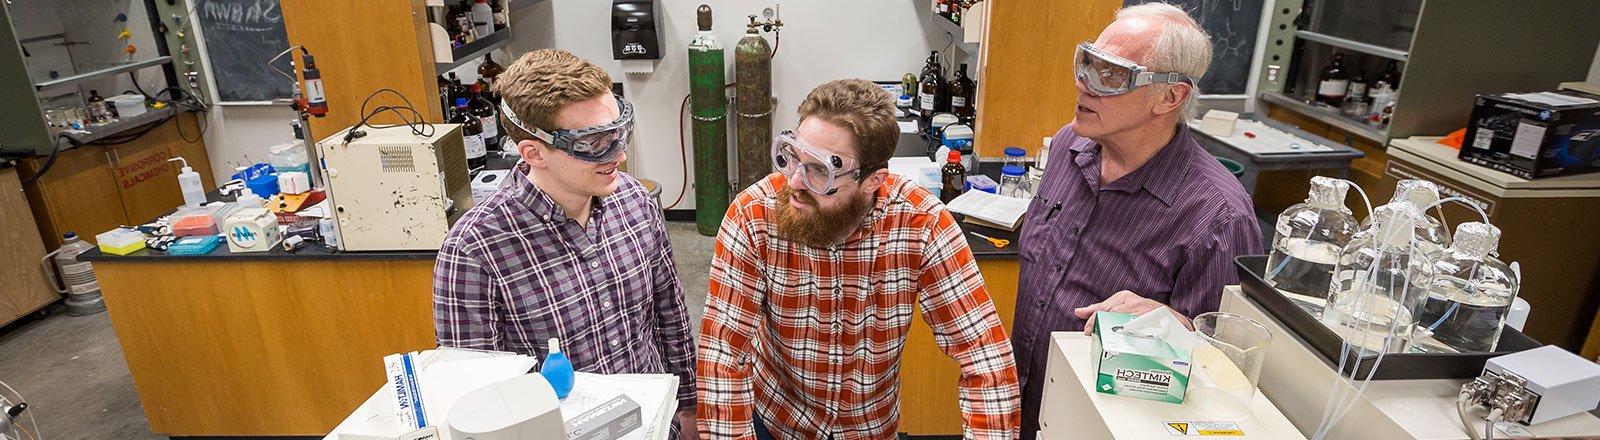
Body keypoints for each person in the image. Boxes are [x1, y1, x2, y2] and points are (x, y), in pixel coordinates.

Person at [696, 79, 1020, 440]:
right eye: (793, 157)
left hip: (869, 428)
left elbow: (986, 359)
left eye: (821, 170)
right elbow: (723, 353)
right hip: (778, 421)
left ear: (873, 180)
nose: (796, 182)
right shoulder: (754, 214)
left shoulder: (921, 223)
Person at [1010, 4, 1264, 437]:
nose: (1083, 83)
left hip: (1106, 423)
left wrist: (1171, 323)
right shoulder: (1072, 145)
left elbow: (1226, 370)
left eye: (1111, 74)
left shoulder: (1218, 217)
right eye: (1086, 62)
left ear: (1169, 98)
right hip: (1024, 401)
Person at [432, 49, 698, 436]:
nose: (620, 155)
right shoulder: (474, 251)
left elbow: (669, 311)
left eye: (619, 132)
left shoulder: (634, 201)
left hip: (655, 423)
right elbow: (478, 401)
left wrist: (686, 407)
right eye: (594, 144)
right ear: (534, 152)